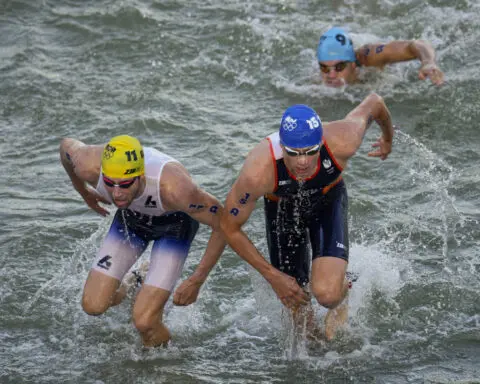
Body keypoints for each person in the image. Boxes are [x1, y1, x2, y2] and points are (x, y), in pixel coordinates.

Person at [220, 93, 394, 340]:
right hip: (282, 210)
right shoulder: (258, 171)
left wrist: (388, 139)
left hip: (327, 199)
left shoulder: (344, 139)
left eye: (310, 151)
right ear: (282, 147)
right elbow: (228, 226)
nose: (302, 162)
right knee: (301, 317)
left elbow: (375, 102)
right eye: (294, 152)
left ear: (321, 143)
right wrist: (273, 276)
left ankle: (343, 286)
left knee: (327, 295)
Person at [59, 135, 226, 347]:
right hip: (131, 218)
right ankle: (135, 279)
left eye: (125, 184)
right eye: (109, 184)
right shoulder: (88, 164)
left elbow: (223, 223)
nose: (116, 194)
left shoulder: (176, 189)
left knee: (145, 322)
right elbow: (65, 146)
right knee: (93, 305)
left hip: (174, 226)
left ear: (140, 176)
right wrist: (83, 192)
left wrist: (197, 280)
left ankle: (163, 369)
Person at [317, 26, 444, 87]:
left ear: (353, 63)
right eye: (325, 68)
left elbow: (417, 44)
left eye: (339, 67)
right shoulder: (316, 84)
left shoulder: (370, 57)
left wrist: (428, 62)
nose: (331, 75)